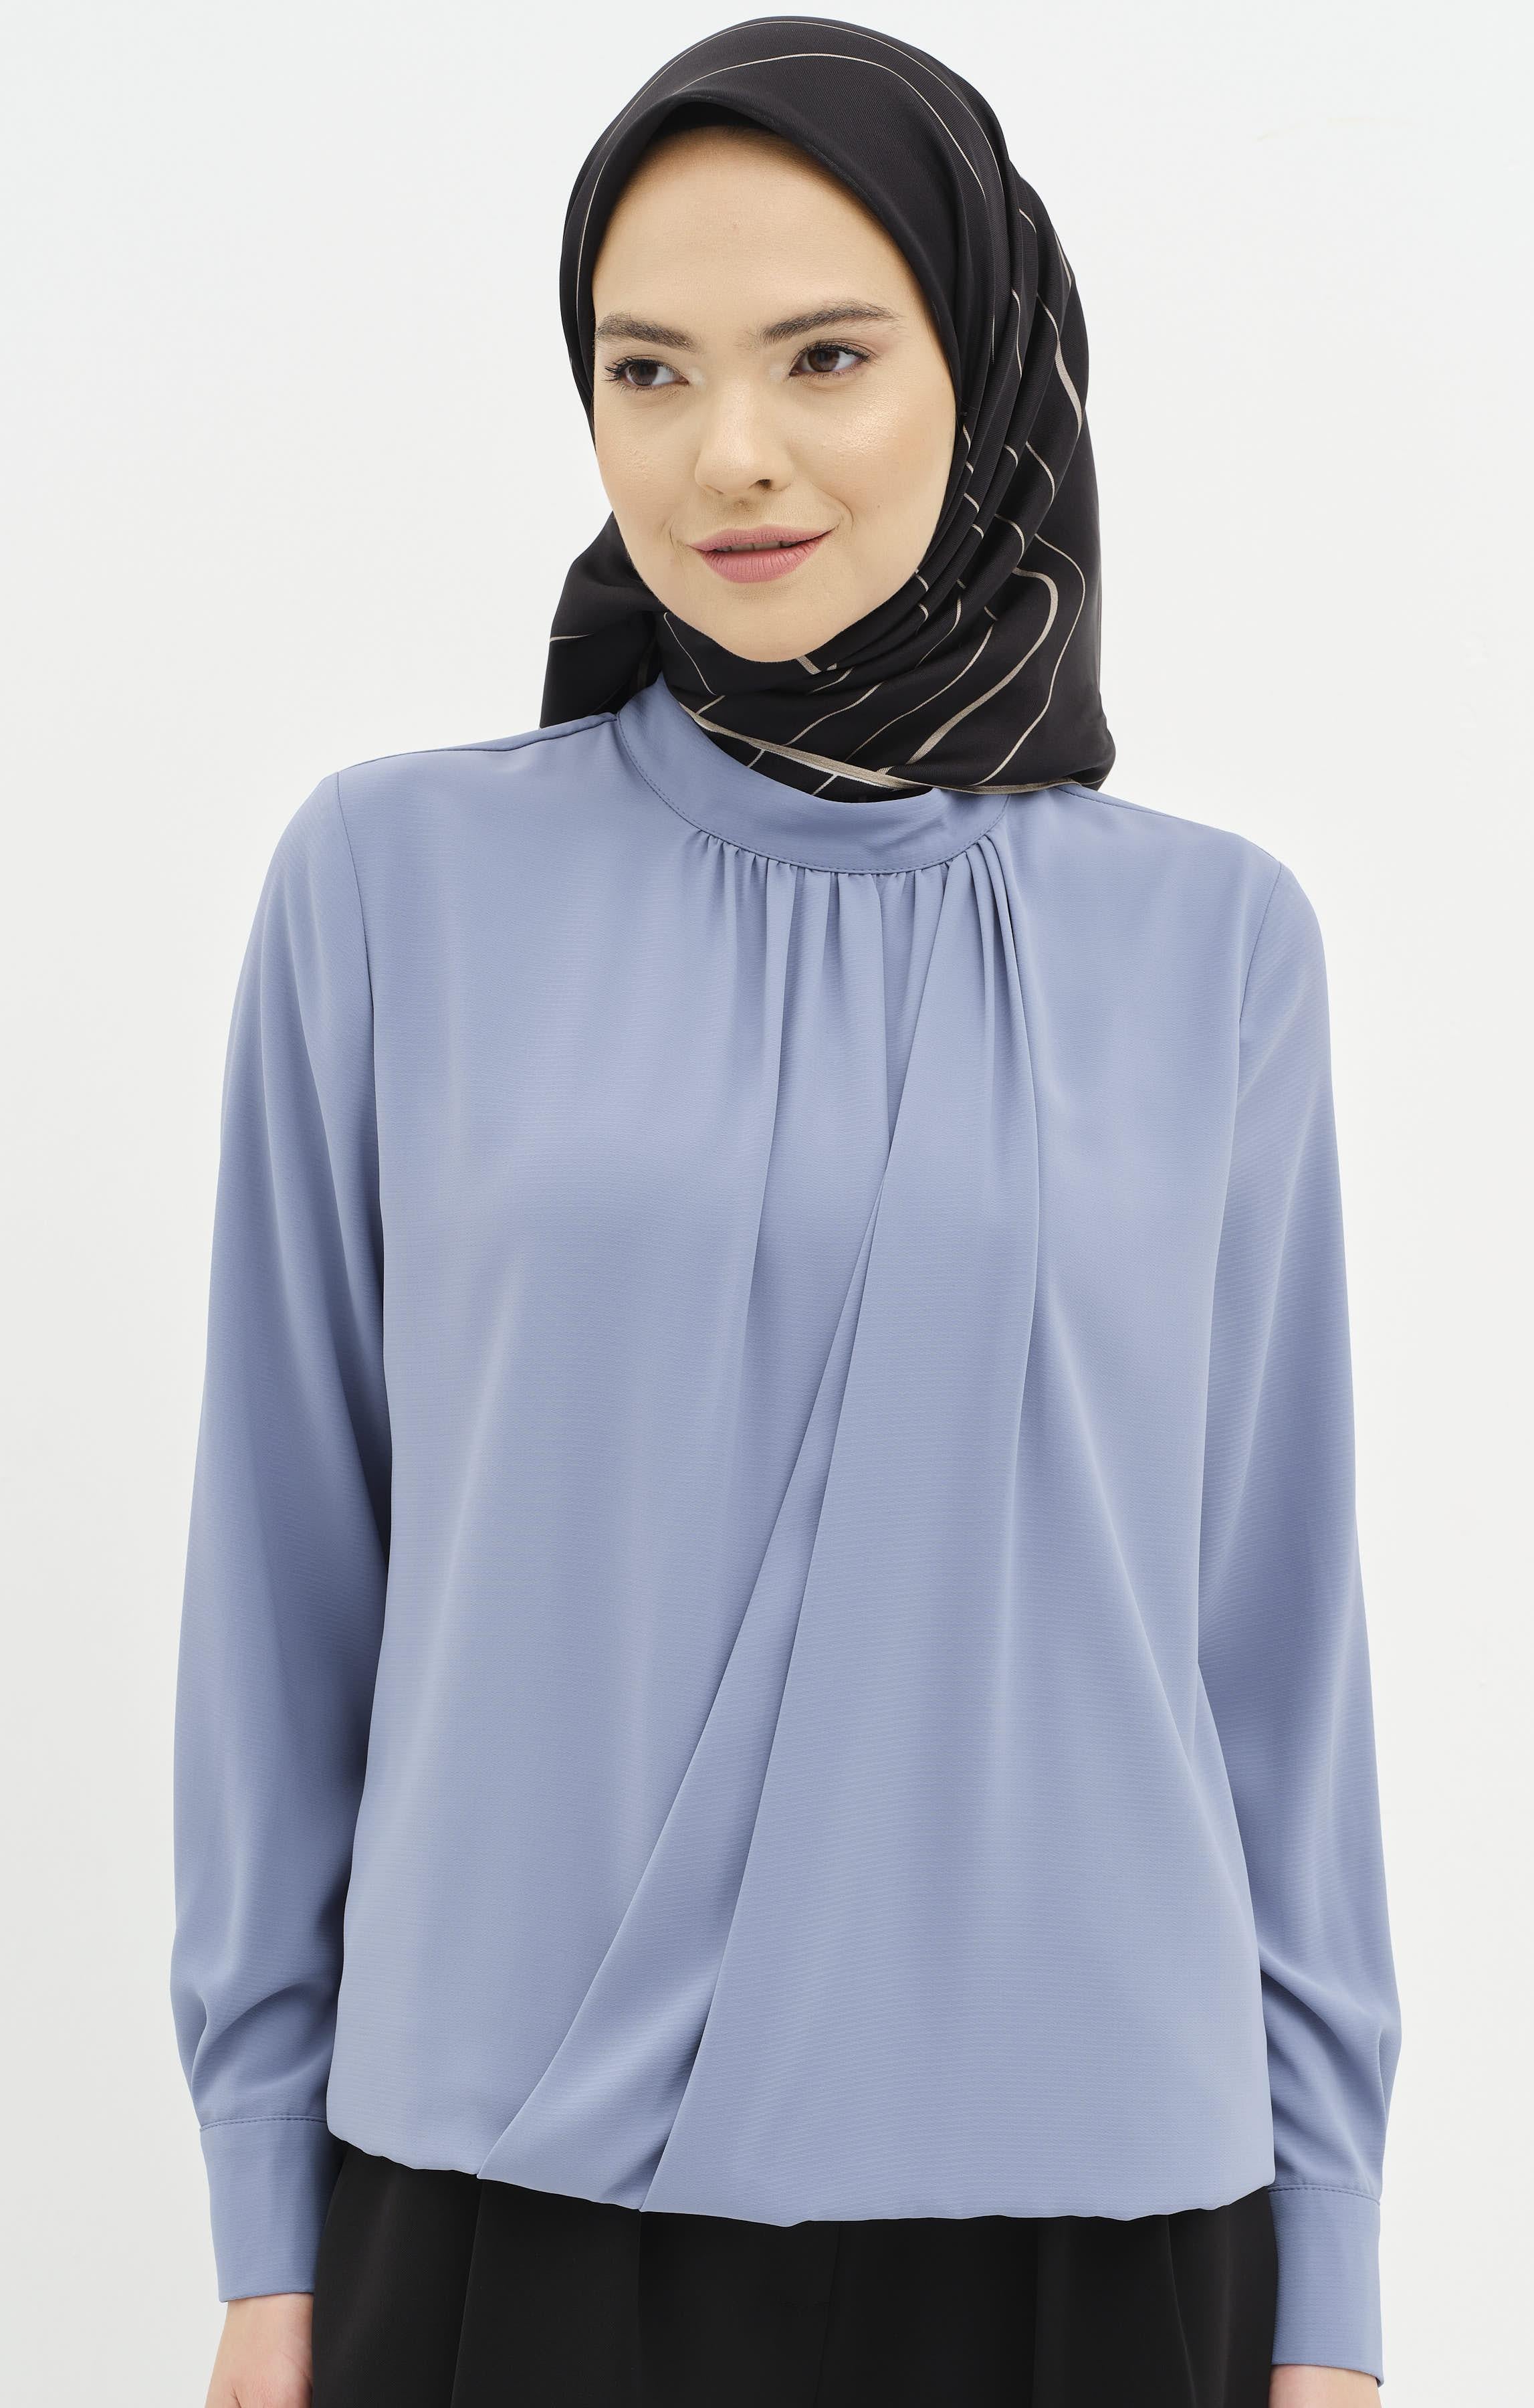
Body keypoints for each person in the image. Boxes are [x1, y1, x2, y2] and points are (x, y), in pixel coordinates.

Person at [171, 19, 1402, 2408]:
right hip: (504, 2199)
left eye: (824, 355)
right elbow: (283, 1591)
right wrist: (258, 2215)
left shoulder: (1214, 944)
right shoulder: (395, 884)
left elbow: (1275, 1653)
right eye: (648, 369)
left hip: (1097, 2226)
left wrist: (1331, 2281)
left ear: (991, 366)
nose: (725, 450)